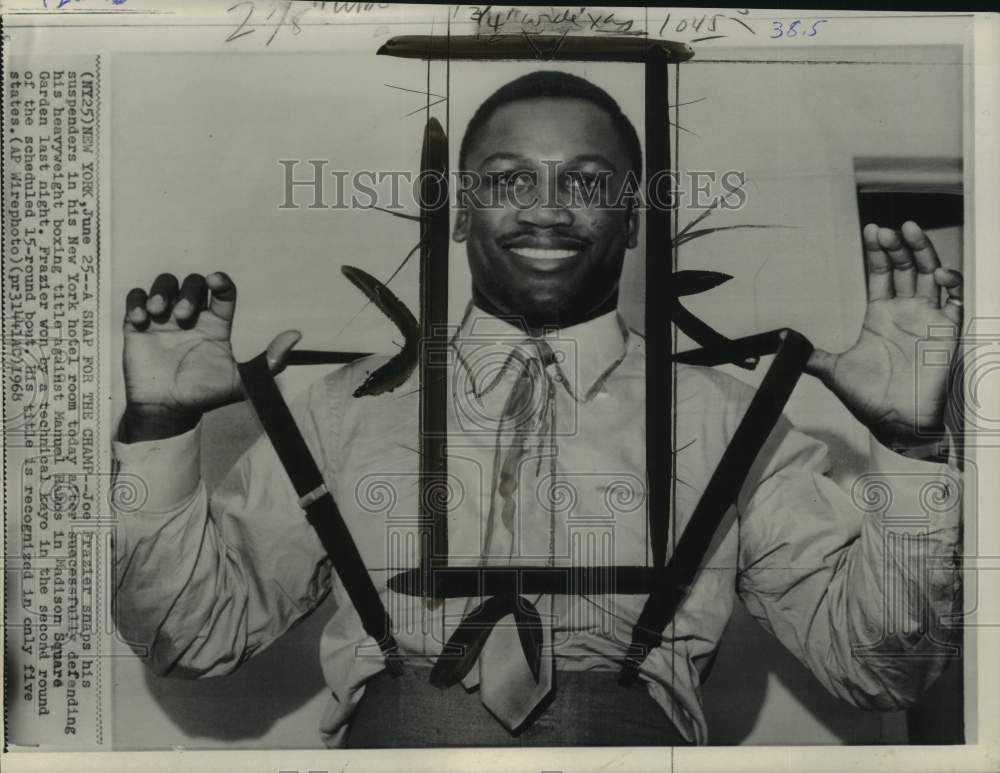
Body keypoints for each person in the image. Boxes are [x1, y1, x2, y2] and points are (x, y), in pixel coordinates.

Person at [112, 71, 964, 747]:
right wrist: (160, 427)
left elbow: (882, 669)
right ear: (457, 212)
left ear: (633, 217)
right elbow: (191, 636)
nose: (549, 206)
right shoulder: (340, 410)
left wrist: (910, 443)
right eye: (510, 178)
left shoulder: (732, 422)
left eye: (588, 181)